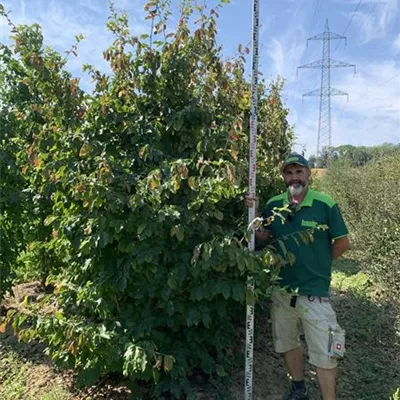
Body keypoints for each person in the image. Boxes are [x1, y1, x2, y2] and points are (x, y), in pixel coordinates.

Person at [246, 152, 350, 400]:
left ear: (308, 174)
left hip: (314, 292)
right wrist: (253, 214)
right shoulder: (274, 204)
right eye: (289, 172)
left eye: (299, 172)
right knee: (287, 342)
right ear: (283, 176)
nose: (294, 177)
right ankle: (299, 387)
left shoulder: (325, 204)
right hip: (282, 290)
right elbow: (261, 240)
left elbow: (343, 242)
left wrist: (320, 263)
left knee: (325, 352)